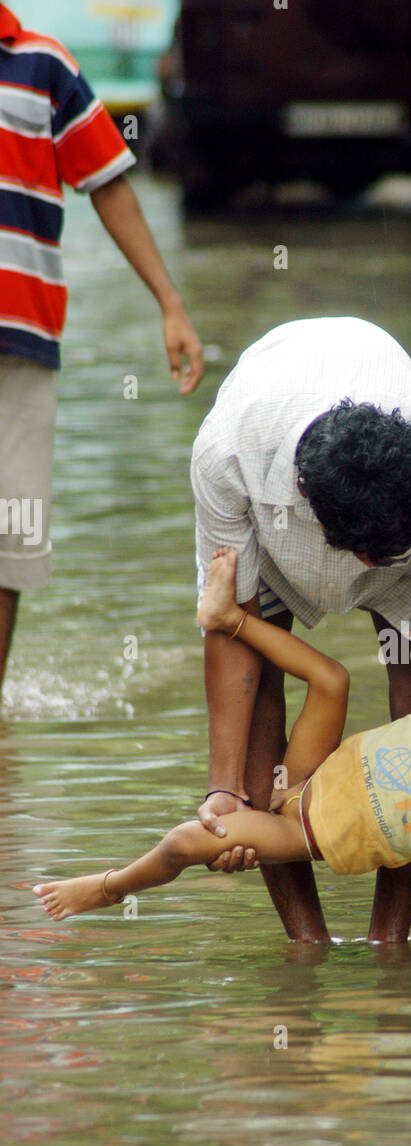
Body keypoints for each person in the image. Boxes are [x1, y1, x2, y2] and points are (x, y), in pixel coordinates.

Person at [33, 547, 411, 924]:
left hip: (301, 830)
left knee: (185, 842)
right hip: (308, 773)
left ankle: (110, 887)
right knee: (332, 678)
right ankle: (229, 618)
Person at [190, 317, 411, 944]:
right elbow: (231, 636)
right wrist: (223, 792)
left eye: (375, 551)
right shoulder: (228, 452)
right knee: (261, 703)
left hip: (408, 557)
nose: (361, 566)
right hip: (269, 534)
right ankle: (308, 945)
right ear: (305, 491)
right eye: (356, 550)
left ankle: (391, 946)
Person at [0, 3, 203, 691]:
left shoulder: (44, 64)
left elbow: (108, 183)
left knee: (12, 537)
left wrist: (169, 303)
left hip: (23, 341)